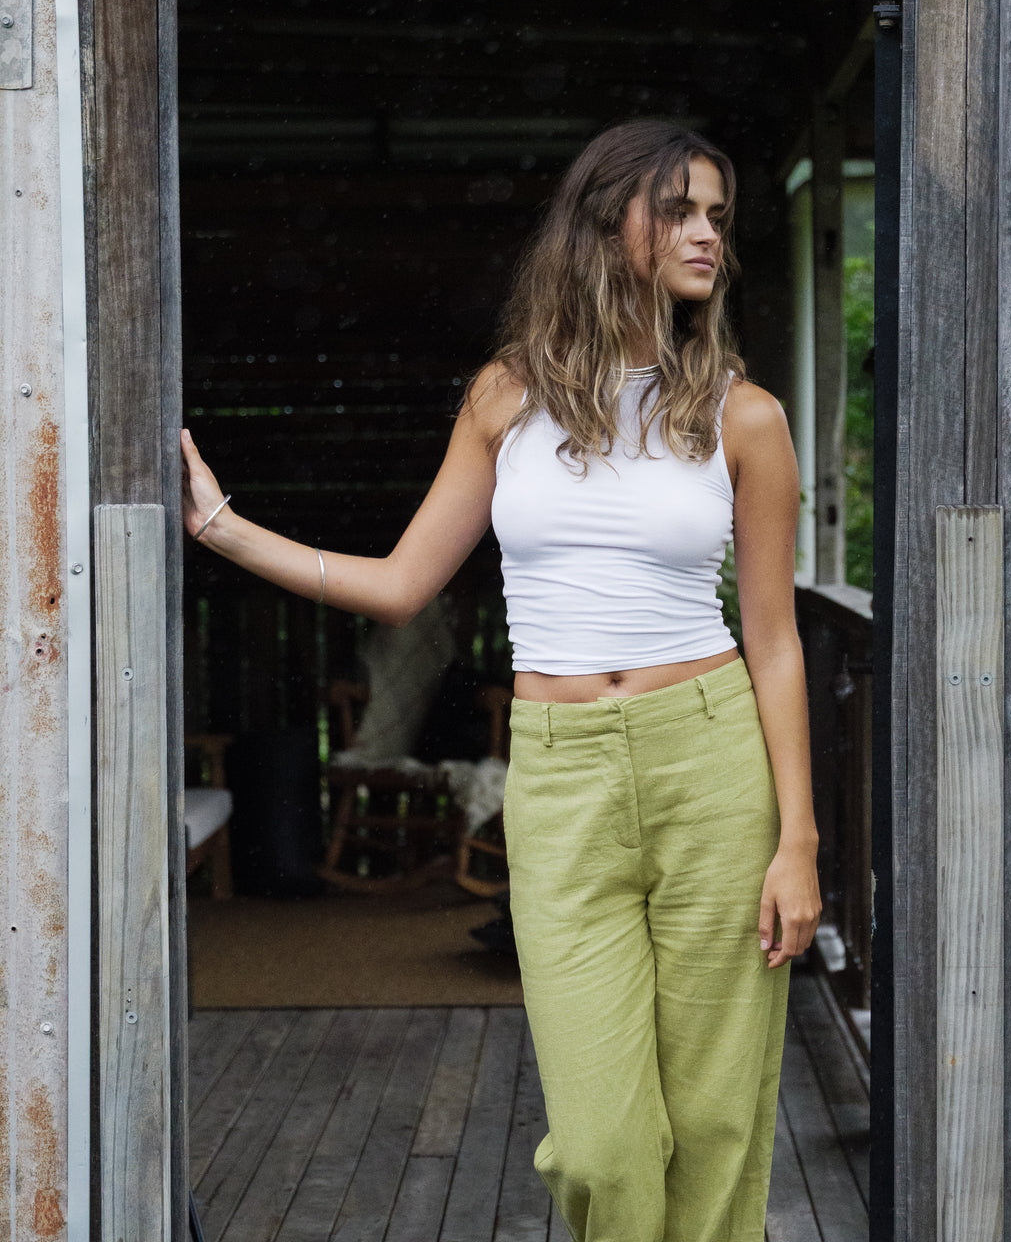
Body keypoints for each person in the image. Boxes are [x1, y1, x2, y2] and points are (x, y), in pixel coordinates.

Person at [181, 118, 821, 1242]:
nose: (706, 233)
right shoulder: (505, 400)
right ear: (602, 223)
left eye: (717, 214)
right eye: (678, 209)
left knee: (718, 1123)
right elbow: (397, 584)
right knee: (601, 1146)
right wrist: (224, 529)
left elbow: (773, 641)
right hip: (563, 774)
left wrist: (798, 841)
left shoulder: (743, 416)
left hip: (710, 759)